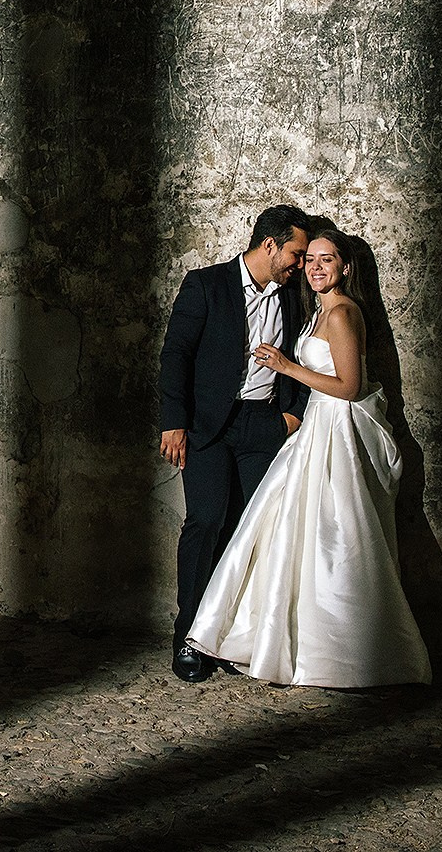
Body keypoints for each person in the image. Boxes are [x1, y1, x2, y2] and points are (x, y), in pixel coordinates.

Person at [186, 228, 432, 688]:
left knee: (335, 535)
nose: (315, 267)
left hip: (335, 430)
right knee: (289, 533)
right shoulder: (316, 310)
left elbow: (349, 387)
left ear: (346, 267)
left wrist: (286, 367)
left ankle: (346, 652)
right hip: (313, 428)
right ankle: (284, 640)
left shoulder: (342, 313)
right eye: (310, 259)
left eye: (326, 259)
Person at [157, 204, 314, 683]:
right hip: (207, 427)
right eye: (296, 253)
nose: (301, 265)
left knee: (250, 530)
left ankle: (231, 637)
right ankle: (191, 637)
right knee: (206, 522)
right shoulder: (205, 285)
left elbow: (300, 351)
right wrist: (173, 423)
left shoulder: (291, 297)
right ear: (269, 245)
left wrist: (289, 416)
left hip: (262, 427)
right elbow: (176, 355)